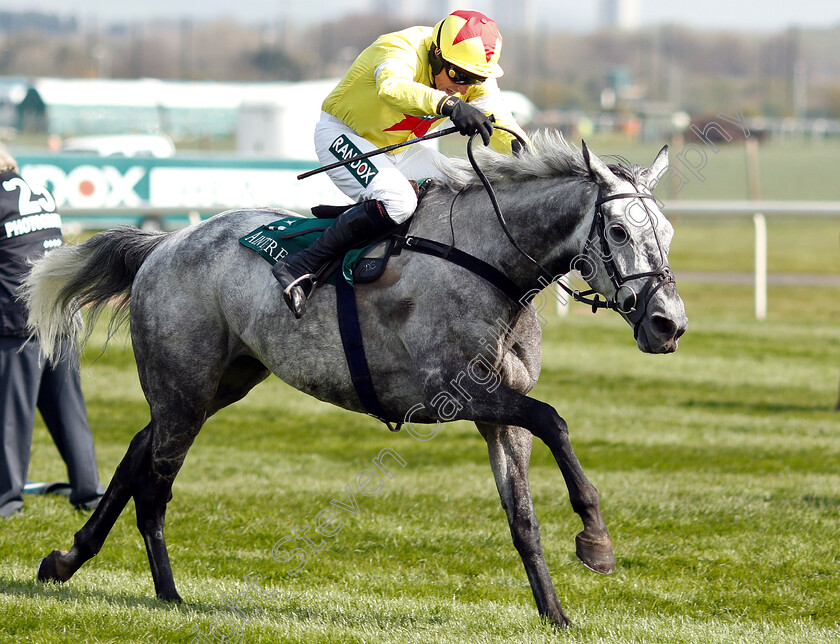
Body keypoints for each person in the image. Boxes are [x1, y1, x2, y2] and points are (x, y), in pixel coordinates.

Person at [272, 9, 528, 318]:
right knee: (399, 201)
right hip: (343, 134)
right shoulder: (398, 47)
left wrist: (528, 158)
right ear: (436, 53)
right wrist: (447, 104)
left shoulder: (471, 75)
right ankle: (300, 265)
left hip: (399, 150)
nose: (464, 88)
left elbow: (502, 123)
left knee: (463, 184)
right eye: (459, 76)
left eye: (474, 80)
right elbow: (391, 87)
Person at [0, 145, 105, 517]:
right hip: (59, 311)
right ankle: (89, 491)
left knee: (11, 414)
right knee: (68, 410)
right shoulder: (39, 192)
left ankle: (7, 500)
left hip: (16, 320)